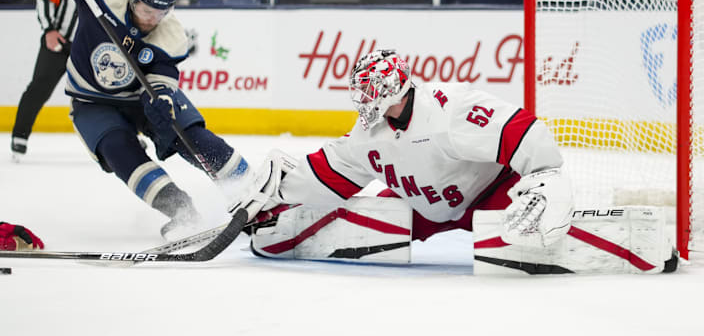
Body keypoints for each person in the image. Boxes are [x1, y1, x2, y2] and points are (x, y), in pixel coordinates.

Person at [231, 49, 574, 259]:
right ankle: (277, 232)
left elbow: (518, 129)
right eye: (360, 91)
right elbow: (331, 170)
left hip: (489, 196)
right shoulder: (367, 135)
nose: (363, 100)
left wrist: (545, 174)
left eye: (371, 91)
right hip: (422, 207)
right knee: (363, 223)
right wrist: (280, 192)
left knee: (525, 240)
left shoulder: (447, 110)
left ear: (394, 90)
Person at [35, 0, 250, 238]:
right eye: (147, 9)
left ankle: (254, 189)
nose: (152, 19)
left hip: (140, 95)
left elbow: (162, 83)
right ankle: (182, 212)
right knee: (118, 150)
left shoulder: (171, 34)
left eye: (162, 12)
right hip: (92, 100)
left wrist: (160, 101)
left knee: (188, 135)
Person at [10, 0, 133, 159]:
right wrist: (49, 30)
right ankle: (19, 137)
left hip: (94, 51)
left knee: (116, 93)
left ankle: (129, 139)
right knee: (39, 88)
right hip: (60, 43)